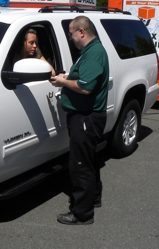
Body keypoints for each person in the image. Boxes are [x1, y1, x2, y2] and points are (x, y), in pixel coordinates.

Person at [49, 15, 109, 225]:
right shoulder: (91, 51)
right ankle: (93, 198)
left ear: (81, 32)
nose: (70, 38)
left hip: (86, 117)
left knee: (80, 164)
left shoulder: (93, 54)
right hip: (88, 116)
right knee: (89, 159)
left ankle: (82, 214)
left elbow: (85, 87)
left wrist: (63, 83)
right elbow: (83, 77)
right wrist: (67, 77)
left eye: (71, 33)